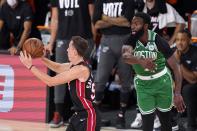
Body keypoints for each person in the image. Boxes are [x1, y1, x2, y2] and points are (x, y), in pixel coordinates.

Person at [19, 36, 100, 131]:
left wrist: (30, 66)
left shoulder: (80, 69)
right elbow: (58, 67)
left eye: (69, 47)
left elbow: (50, 81)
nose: (67, 50)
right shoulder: (76, 65)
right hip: (78, 115)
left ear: (74, 51)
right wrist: (42, 58)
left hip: (88, 117)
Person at [122, 12, 185, 131]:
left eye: (137, 24)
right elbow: (125, 57)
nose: (133, 26)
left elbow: (176, 68)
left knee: (166, 123)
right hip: (143, 85)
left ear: (145, 26)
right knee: (147, 125)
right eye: (132, 24)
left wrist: (177, 93)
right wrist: (140, 60)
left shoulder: (158, 41)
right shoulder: (130, 40)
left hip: (162, 82)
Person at [44, 0, 95, 128]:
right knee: (60, 73)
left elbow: (92, 15)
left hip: (84, 39)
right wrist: (51, 42)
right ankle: (58, 113)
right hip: (64, 37)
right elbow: (54, 19)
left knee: (84, 78)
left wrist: (94, 39)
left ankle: (87, 111)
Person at [92, 0, 135, 129]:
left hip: (125, 41)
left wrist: (107, 19)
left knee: (126, 80)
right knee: (100, 79)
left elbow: (128, 22)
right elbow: (97, 24)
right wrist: (117, 20)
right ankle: (95, 114)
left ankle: (121, 116)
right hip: (107, 41)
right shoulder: (100, 1)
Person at [174, 29, 197, 131]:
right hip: (180, 84)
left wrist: (178, 62)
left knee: (187, 89)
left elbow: (193, 80)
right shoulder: (172, 52)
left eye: (183, 40)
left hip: (193, 86)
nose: (179, 42)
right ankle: (169, 121)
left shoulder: (195, 53)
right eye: (177, 39)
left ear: (189, 41)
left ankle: (192, 125)